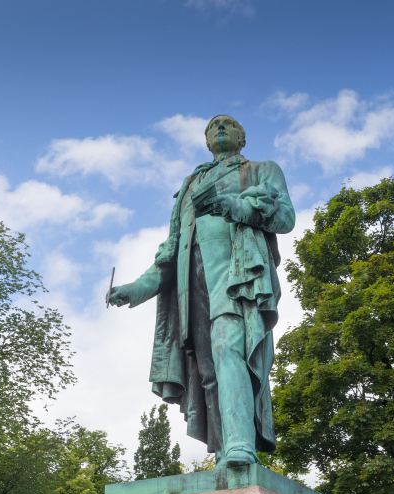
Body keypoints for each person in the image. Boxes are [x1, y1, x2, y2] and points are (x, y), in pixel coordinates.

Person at [108, 115, 295, 468]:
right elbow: (170, 253)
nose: (220, 127)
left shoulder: (261, 170)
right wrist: (134, 290)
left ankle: (241, 445)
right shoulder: (190, 186)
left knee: (230, 349)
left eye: (229, 124)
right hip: (193, 290)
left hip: (239, 279)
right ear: (207, 141)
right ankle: (226, 450)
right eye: (213, 126)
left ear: (242, 137)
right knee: (208, 374)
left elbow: (285, 217)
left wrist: (235, 206)